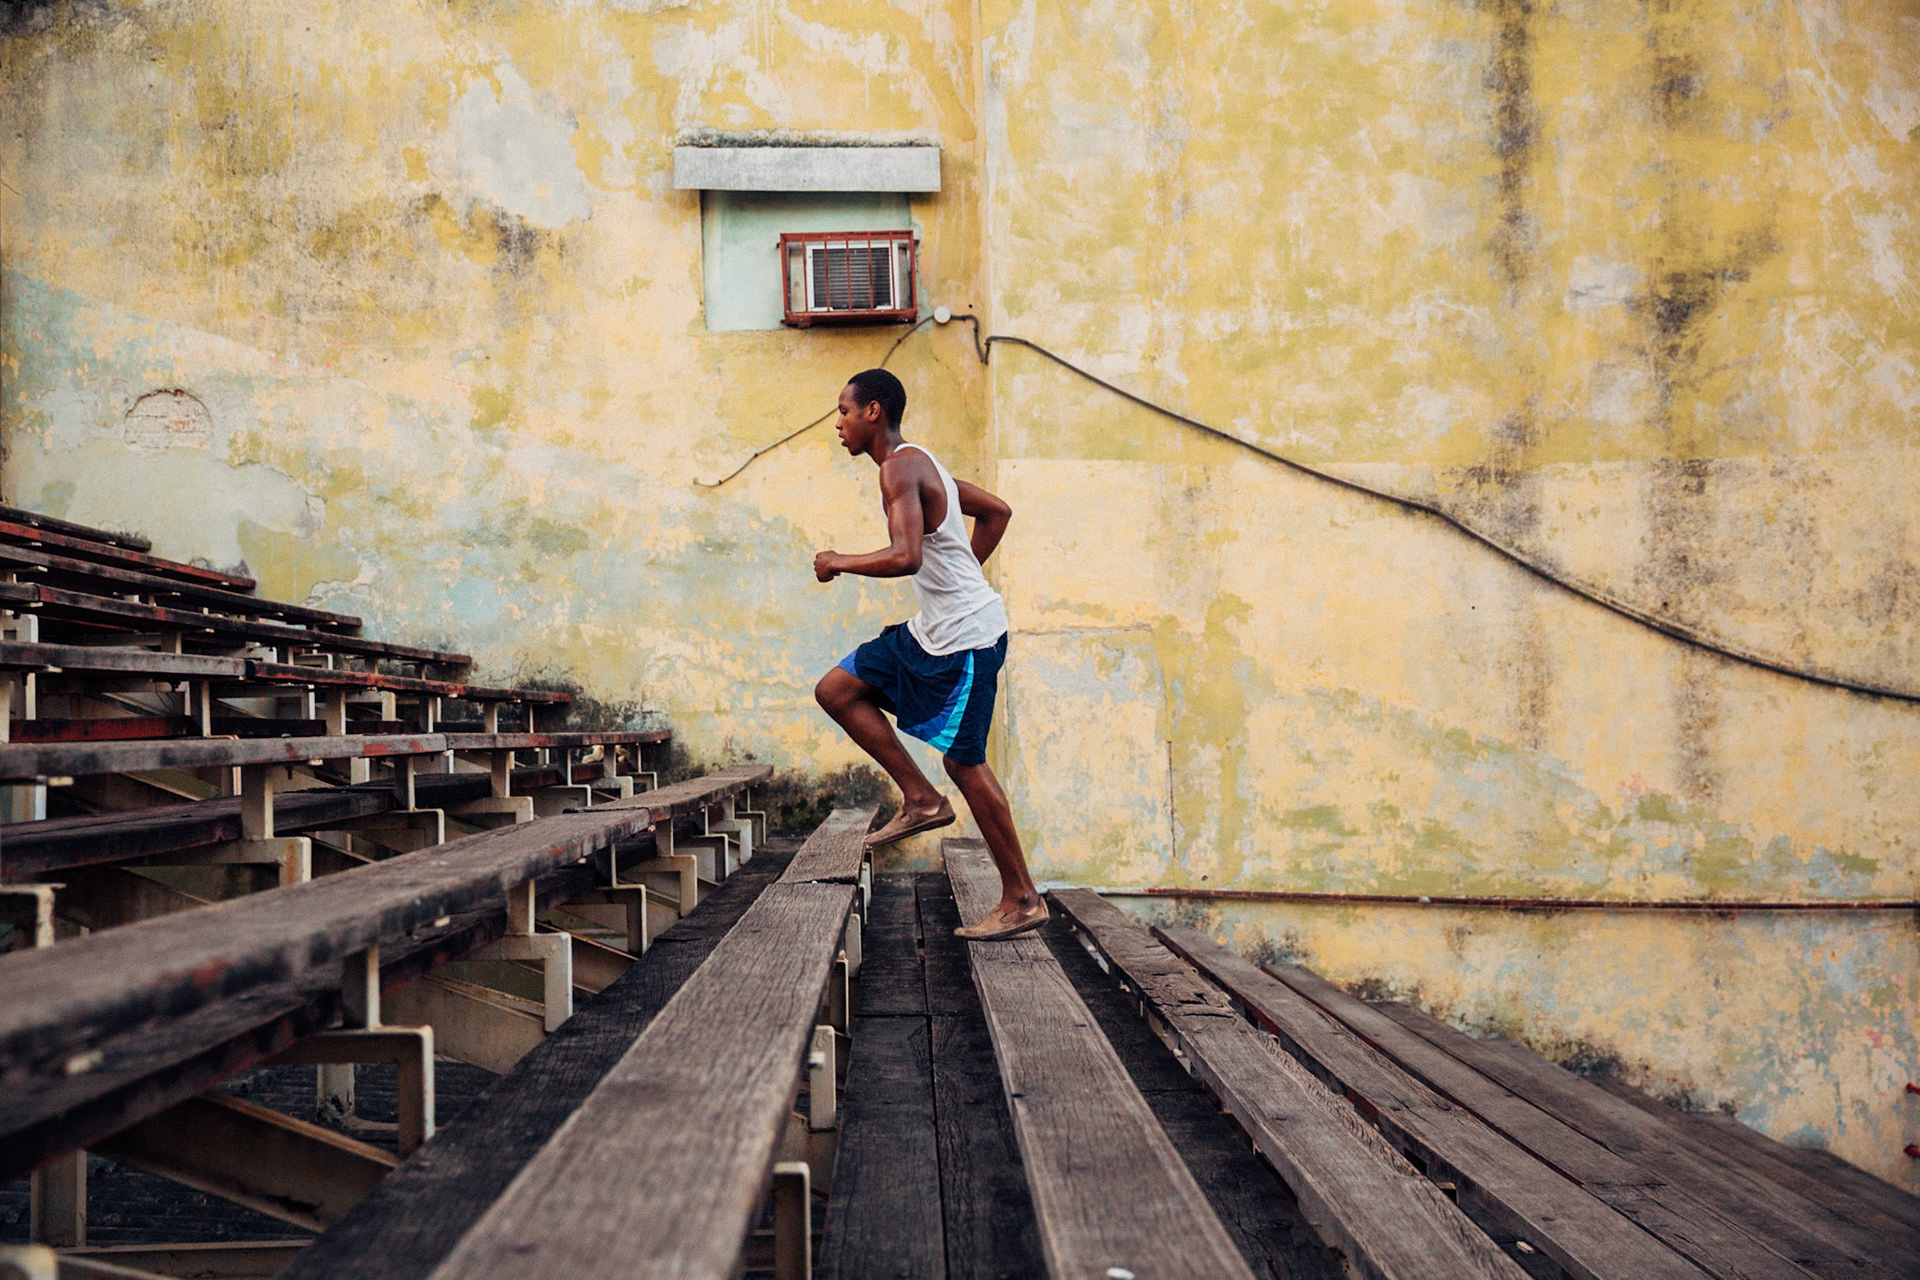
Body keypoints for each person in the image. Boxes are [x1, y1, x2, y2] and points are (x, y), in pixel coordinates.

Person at [812, 368, 1046, 941]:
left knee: (964, 761)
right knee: (837, 690)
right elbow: (998, 513)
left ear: (873, 412)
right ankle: (919, 800)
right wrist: (963, 579)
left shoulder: (899, 466)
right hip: (934, 629)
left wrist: (839, 560)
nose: (837, 423)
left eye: (843, 411)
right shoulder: (921, 462)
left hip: (968, 640)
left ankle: (1022, 897)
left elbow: (906, 557)